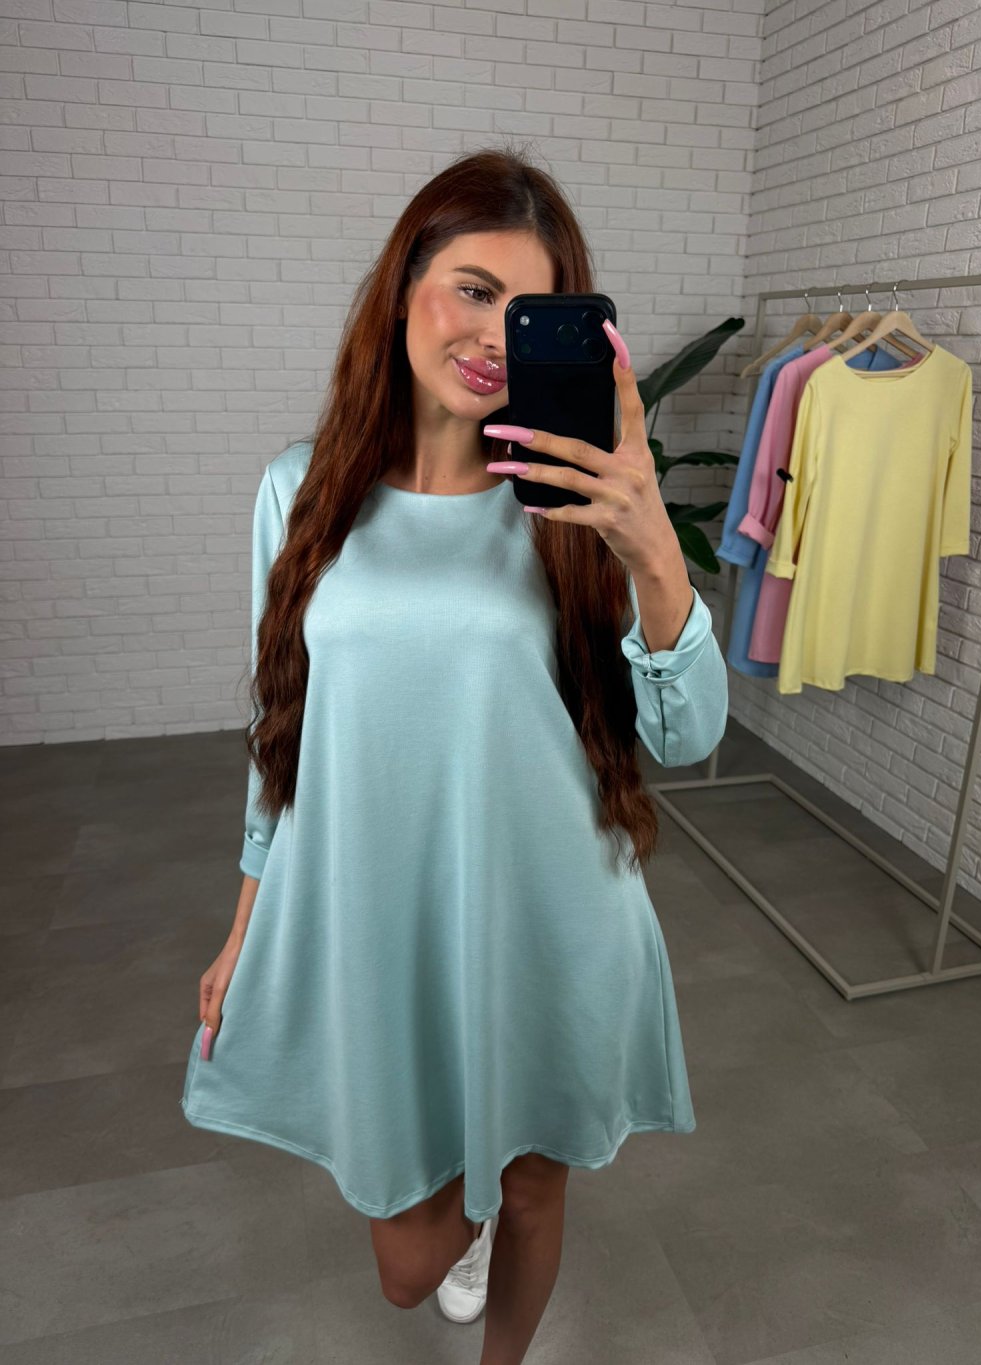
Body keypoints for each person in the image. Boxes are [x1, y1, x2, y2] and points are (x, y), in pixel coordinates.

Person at [180, 142, 728, 1365]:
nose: (492, 337)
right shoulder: (300, 491)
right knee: (406, 1264)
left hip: (549, 912)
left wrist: (649, 545)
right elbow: (284, 728)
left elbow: (687, 735)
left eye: (528, 312)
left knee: (532, 1190)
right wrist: (245, 921)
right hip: (383, 913)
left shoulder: (574, 507)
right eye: (473, 290)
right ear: (403, 287)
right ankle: (458, 1226)